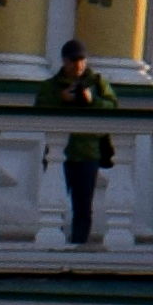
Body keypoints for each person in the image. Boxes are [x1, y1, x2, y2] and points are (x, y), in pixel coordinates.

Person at [41, 47, 117, 245]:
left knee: (83, 205)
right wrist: (61, 99)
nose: (78, 66)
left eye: (82, 60)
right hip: (58, 153)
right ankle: (52, 240)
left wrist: (92, 101)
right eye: (74, 61)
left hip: (88, 152)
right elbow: (40, 109)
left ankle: (79, 242)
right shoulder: (51, 86)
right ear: (64, 61)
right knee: (53, 202)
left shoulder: (98, 83)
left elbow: (113, 107)